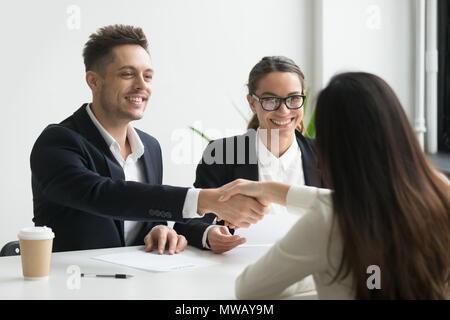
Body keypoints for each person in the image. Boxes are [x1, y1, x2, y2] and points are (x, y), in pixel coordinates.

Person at [30, 25, 268, 253]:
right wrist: (204, 199)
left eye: (148, 76)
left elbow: (142, 208)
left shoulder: (150, 148)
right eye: (127, 74)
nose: (141, 86)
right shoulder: (57, 142)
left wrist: (158, 230)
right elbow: (103, 194)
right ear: (93, 81)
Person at [220, 72, 450, 299]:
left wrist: (313, 271)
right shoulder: (440, 190)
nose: (284, 110)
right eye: (271, 100)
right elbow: (351, 203)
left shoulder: (328, 221)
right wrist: (269, 190)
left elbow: (249, 289)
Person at [174, 56, 321, 254]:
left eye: (293, 99)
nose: (284, 110)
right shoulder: (223, 153)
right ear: (252, 103)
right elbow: (189, 219)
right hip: (240, 268)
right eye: (270, 100)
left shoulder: (327, 157)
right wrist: (209, 233)